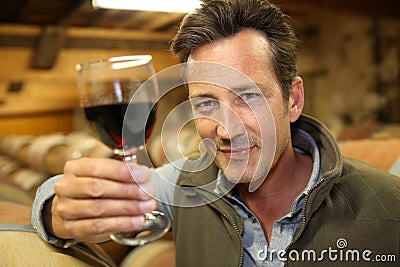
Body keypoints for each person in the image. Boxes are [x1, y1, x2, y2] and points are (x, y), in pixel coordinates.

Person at [31, 0, 399, 266]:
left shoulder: (389, 204)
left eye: (248, 97)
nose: (226, 129)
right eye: (206, 102)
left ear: (293, 100)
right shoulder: (186, 183)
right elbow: (62, 200)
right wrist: (57, 211)